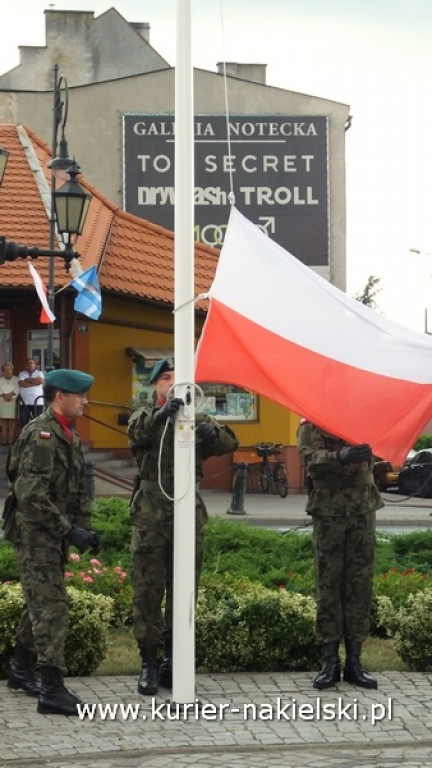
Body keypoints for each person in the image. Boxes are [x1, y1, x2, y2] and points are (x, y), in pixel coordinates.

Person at [128, 357, 239, 696]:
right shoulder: (146, 415)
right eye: (165, 378)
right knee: (148, 591)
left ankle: (174, 662)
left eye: (177, 377)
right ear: (155, 386)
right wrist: (162, 414)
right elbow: (135, 431)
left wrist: (212, 431)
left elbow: (229, 443)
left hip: (187, 510)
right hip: (151, 514)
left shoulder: (194, 416)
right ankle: (148, 662)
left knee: (184, 589)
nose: (172, 382)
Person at [5, 368, 101, 717]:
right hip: (34, 533)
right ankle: (52, 689)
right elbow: (30, 496)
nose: (86, 401)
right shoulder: (41, 436)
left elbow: (77, 489)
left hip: (51, 533)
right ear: (60, 396)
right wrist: (67, 530)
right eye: (81, 396)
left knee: (40, 603)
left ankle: (20, 669)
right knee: (53, 607)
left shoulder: (67, 434)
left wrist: (85, 529)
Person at [297, 420, 383, 690]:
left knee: (360, 584)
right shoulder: (311, 422)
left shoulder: (363, 416)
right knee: (329, 584)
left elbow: (383, 447)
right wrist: (339, 456)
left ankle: (355, 662)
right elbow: (309, 458)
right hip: (329, 509)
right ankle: (330, 662)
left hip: (362, 509)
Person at [18, 357, 45, 427]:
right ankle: (25, 437)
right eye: (28, 363)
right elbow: (21, 384)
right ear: (25, 365)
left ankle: (35, 437)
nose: (30, 364)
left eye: (31, 363)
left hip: (38, 402)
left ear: (35, 365)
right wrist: (34, 383)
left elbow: (40, 381)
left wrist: (27, 380)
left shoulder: (40, 373)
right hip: (24, 402)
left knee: (38, 422)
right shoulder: (22, 373)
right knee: (24, 422)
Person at [0, 362, 19, 444]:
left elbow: (17, 389)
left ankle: (11, 440)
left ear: (12, 370)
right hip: (2, 401)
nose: (7, 371)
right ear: (3, 371)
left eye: (9, 369)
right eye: (5, 369)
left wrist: (10, 395)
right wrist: (4, 395)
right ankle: (4, 440)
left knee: (11, 422)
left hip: (13, 401)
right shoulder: (0, 380)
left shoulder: (16, 379)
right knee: (3, 421)